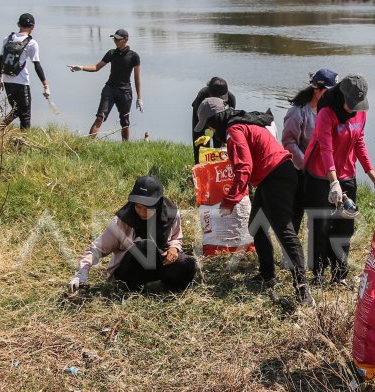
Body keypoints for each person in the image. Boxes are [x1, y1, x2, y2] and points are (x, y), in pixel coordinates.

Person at [194, 97, 315, 307]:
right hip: (272, 177)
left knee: (285, 232)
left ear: (217, 118)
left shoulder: (234, 130)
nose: (211, 129)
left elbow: (244, 167)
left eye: (210, 124)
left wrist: (230, 200)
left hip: (277, 177)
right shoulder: (241, 123)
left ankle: (303, 290)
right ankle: (267, 275)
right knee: (256, 225)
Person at [302, 75, 375, 286]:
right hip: (320, 174)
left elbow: (359, 142)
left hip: (347, 174)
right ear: (341, 96)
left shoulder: (360, 114)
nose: (353, 109)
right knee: (320, 225)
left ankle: (340, 274)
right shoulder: (326, 113)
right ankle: (318, 273)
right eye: (351, 104)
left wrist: (370, 170)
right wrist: (332, 182)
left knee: (344, 226)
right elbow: (325, 148)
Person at [68, 175, 197, 294]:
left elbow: (176, 237)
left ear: (158, 204)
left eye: (146, 208)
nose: (141, 212)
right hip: (127, 272)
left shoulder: (171, 214)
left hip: (156, 265)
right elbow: (95, 249)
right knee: (145, 246)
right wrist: (81, 275)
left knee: (188, 263)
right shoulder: (123, 221)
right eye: (138, 207)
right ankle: (125, 288)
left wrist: (174, 248)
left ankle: (158, 287)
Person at [284, 68, 336, 228]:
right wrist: (305, 165)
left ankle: (319, 248)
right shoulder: (298, 112)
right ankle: (290, 248)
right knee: (296, 211)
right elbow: (289, 143)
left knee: (321, 215)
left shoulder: (330, 111)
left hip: (323, 172)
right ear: (317, 90)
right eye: (328, 91)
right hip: (301, 171)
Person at [70, 28, 143, 142]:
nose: (115, 41)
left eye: (118, 39)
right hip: (110, 89)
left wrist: (139, 98)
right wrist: (81, 68)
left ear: (125, 40)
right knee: (100, 117)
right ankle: (88, 144)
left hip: (125, 92)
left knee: (125, 123)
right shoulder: (111, 53)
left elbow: (137, 78)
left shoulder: (134, 56)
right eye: (114, 38)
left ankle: (126, 147)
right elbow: (96, 67)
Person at [0, 12, 49, 130]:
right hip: (22, 82)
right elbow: (37, 65)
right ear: (33, 27)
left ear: (18, 24)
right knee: (25, 115)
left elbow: (0, 60)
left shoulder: (7, 39)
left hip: (7, 81)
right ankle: (23, 144)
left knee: (16, 110)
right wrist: (45, 85)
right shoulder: (31, 43)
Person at [190, 77, 236, 162]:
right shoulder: (202, 95)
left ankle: (219, 166)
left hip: (221, 120)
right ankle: (199, 167)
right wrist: (207, 131)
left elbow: (229, 123)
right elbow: (200, 119)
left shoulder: (231, 99)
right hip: (201, 117)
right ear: (209, 92)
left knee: (220, 145)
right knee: (200, 143)